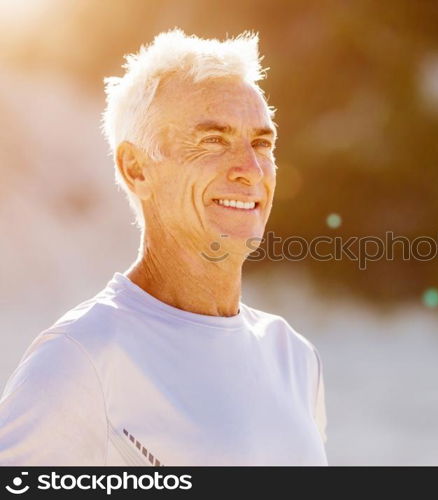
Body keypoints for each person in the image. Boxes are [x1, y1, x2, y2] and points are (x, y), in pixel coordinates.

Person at [0, 29, 328, 466]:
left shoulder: (293, 356)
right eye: (214, 139)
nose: (251, 169)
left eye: (262, 143)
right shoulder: (80, 359)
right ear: (136, 169)